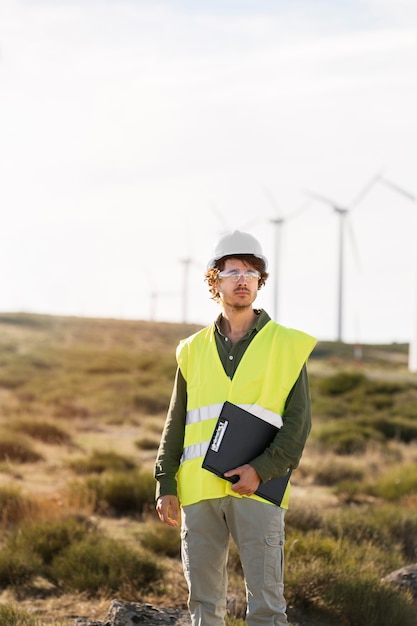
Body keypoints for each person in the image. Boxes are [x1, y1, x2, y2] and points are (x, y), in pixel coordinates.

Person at [154, 230, 316, 626]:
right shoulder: (191, 349)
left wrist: (261, 469)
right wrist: (165, 482)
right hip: (198, 492)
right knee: (204, 608)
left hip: (259, 488)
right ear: (216, 280)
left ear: (260, 282)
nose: (243, 279)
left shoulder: (287, 345)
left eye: (252, 272)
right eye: (232, 271)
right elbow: (176, 421)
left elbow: (298, 424)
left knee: (266, 607)